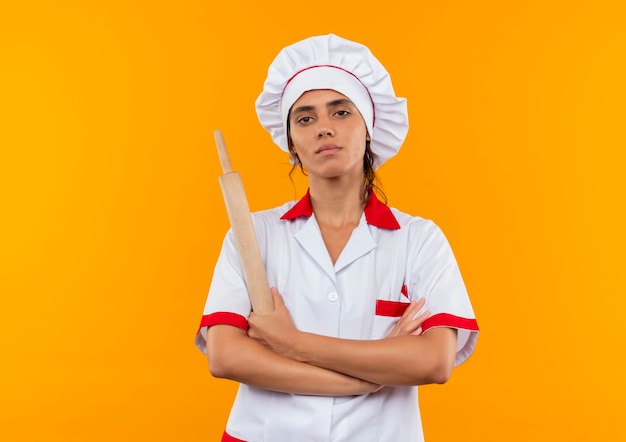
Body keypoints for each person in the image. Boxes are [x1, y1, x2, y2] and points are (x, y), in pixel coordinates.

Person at [195, 34, 479, 442]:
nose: (324, 128)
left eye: (341, 112)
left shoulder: (419, 240)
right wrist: (364, 379)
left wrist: (291, 342)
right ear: (292, 142)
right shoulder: (254, 234)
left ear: (369, 128)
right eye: (305, 118)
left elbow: (434, 361)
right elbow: (225, 355)